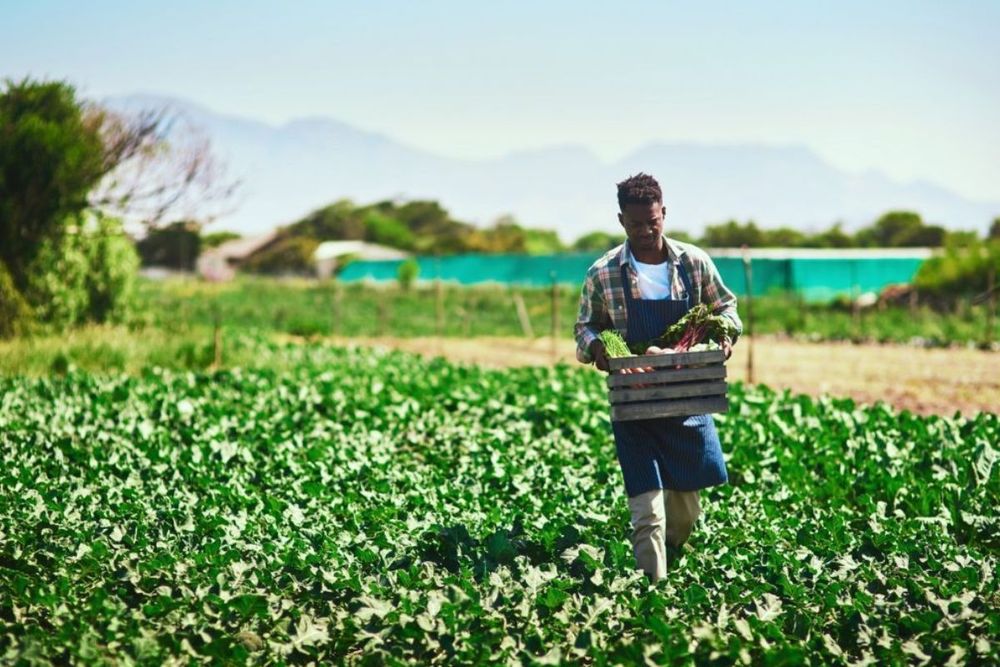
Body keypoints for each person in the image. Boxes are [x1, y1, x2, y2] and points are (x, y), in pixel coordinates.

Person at [574, 172, 742, 582]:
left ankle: (674, 555)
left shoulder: (694, 262)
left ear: (663, 213)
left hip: (687, 398)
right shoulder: (604, 272)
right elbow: (585, 327)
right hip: (635, 401)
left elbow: (727, 309)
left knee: (684, 514)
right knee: (647, 512)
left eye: (653, 221)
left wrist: (723, 337)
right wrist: (598, 348)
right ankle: (654, 589)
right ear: (621, 221)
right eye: (636, 224)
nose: (646, 231)